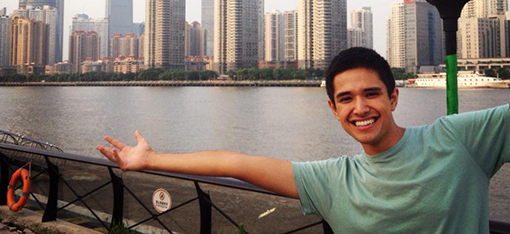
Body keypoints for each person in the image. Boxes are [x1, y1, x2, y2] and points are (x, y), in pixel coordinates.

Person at [97, 47, 510, 233]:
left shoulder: (457, 140)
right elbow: (234, 164)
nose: (360, 108)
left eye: (371, 94)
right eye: (346, 99)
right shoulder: (333, 180)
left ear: (393, 97)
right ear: (333, 109)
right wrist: (150, 160)